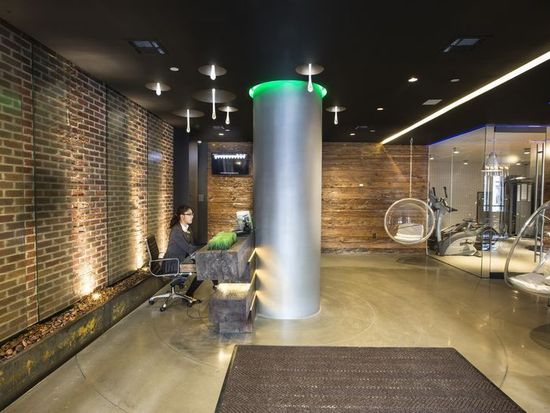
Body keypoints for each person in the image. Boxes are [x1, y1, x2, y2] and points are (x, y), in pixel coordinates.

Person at [164, 205, 203, 298]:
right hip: (173, 263)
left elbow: (192, 245)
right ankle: (189, 295)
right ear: (182, 216)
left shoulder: (187, 228)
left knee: (205, 264)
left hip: (182, 259)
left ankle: (215, 286)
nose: (192, 216)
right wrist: (204, 248)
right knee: (203, 269)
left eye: (192, 214)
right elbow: (189, 248)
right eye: (189, 214)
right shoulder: (176, 231)